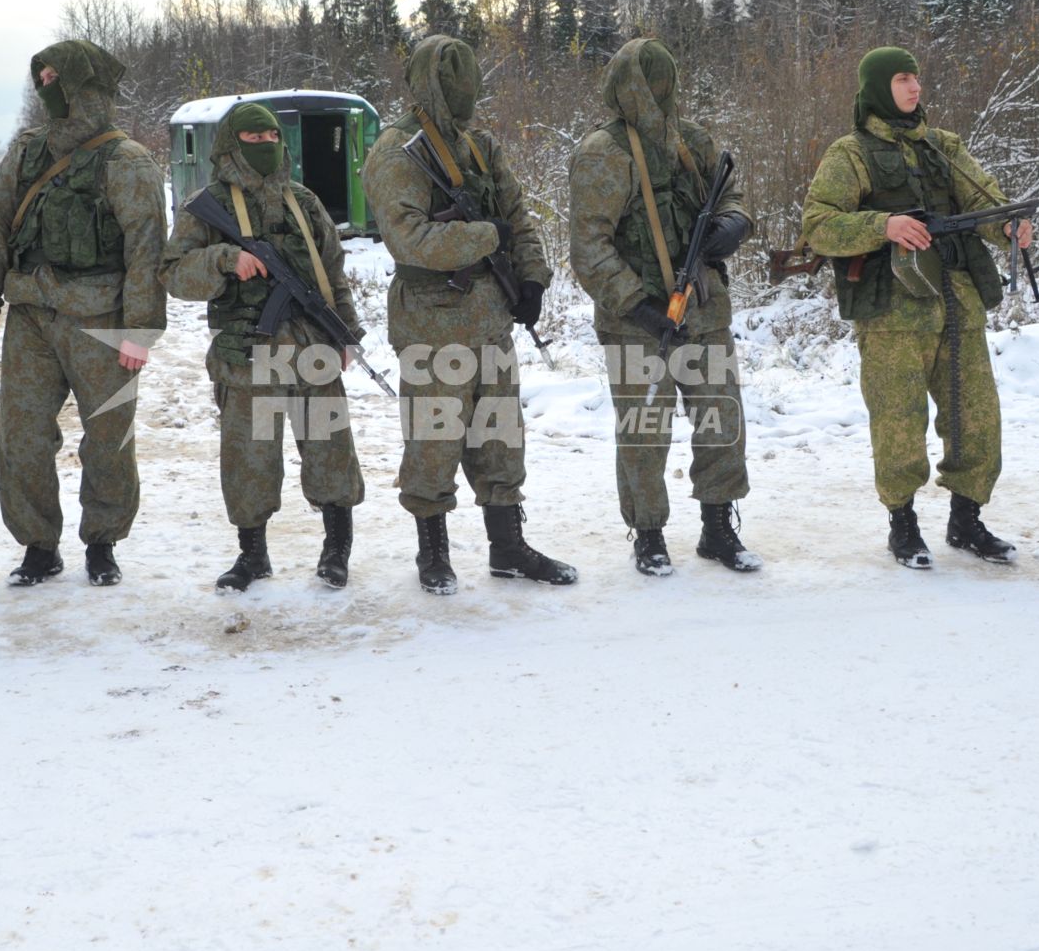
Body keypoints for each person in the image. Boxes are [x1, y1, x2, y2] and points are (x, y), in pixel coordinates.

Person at [361, 34, 576, 594]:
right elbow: (409, 239)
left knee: (500, 439)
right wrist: (486, 236)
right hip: (433, 324)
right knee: (434, 444)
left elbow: (518, 217)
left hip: (489, 319)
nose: (466, 94)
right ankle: (432, 553)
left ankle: (507, 548)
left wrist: (532, 276)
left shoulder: (479, 146)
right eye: (454, 84)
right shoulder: (395, 151)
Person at [802, 46, 1031, 568]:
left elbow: (985, 202)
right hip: (891, 315)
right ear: (880, 86)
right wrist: (882, 226)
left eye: (917, 79)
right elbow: (818, 225)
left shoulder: (943, 146)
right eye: (903, 80)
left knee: (976, 418)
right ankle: (902, 524)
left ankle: (966, 520)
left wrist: (1009, 226)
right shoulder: (851, 154)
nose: (915, 89)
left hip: (958, 306)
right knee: (899, 424)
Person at [0, 40, 167, 586]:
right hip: (30, 313)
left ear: (85, 85)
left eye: (57, 77)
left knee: (108, 436)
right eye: (42, 78)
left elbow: (147, 250)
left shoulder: (127, 160)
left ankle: (102, 542)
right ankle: (38, 545)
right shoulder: (28, 150)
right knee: (22, 435)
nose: (47, 86)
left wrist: (140, 331)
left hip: (102, 318)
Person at [567, 38, 758, 575]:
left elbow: (731, 194)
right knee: (644, 431)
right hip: (636, 322)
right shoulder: (603, 153)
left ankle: (718, 527)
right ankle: (648, 532)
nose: (657, 93)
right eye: (648, 83)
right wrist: (640, 306)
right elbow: (589, 249)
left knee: (721, 418)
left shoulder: (692, 141)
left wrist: (734, 223)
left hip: (703, 308)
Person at [162, 102, 365, 591]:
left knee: (331, 451)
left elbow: (331, 273)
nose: (264, 146)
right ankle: (252, 556)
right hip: (246, 353)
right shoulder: (207, 205)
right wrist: (225, 259)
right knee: (250, 459)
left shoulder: (304, 201)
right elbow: (173, 274)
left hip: (313, 346)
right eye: (252, 140)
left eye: (270, 137)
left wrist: (346, 333)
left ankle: (336, 550)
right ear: (231, 144)